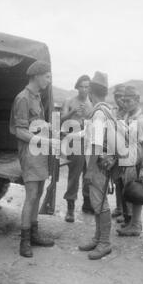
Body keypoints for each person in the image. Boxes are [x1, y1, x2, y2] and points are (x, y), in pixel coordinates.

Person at [10, 60, 59, 258]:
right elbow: (19, 131)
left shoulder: (37, 97)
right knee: (31, 195)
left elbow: (34, 124)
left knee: (38, 192)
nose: (49, 80)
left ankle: (34, 233)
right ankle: (24, 241)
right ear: (37, 76)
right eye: (47, 76)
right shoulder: (22, 98)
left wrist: (48, 128)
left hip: (39, 152)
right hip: (30, 153)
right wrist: (44, 141)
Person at [78, 71, 114, 260]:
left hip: (98, 165)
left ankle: (104, 243)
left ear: (91, 91)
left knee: (100, 203)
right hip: (102, 163)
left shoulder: (99, 113)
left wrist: (90, 170)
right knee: (97, 202)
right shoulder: (104, 110)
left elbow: (97, 144)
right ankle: (99, 238)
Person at [116, 85, 143, 237]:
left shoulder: (141, 120)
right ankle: (131, 222)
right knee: (129, 192)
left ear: (137, 100)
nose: (125, 103)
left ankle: (136, 225)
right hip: (126, 161)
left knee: (136, 193)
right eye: (123, 100)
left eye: (129, 100)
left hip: (135, 163)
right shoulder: (127, 117)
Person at [61, 75, 94, 221]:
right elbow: (60, 119)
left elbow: (94, 122)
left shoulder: (91, 102)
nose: (84, 89)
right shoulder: (69, 101)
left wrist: (88, 114)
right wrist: (73, 112)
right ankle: (70, 209)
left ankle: (87, 204)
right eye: (82, 86)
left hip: (87, 140)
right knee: (74, 175)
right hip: (74, 141)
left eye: (87, 86)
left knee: (89, 173)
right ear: (77, 87)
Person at [111, 84, 127, 221]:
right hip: (115, 150)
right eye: (117, 96)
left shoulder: (131, 112)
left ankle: (127, 212)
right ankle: (119, 208)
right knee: (117, 180)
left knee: (126, 181)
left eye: (122, 96)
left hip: (128, 152)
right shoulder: (114, 111)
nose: (119, 99)